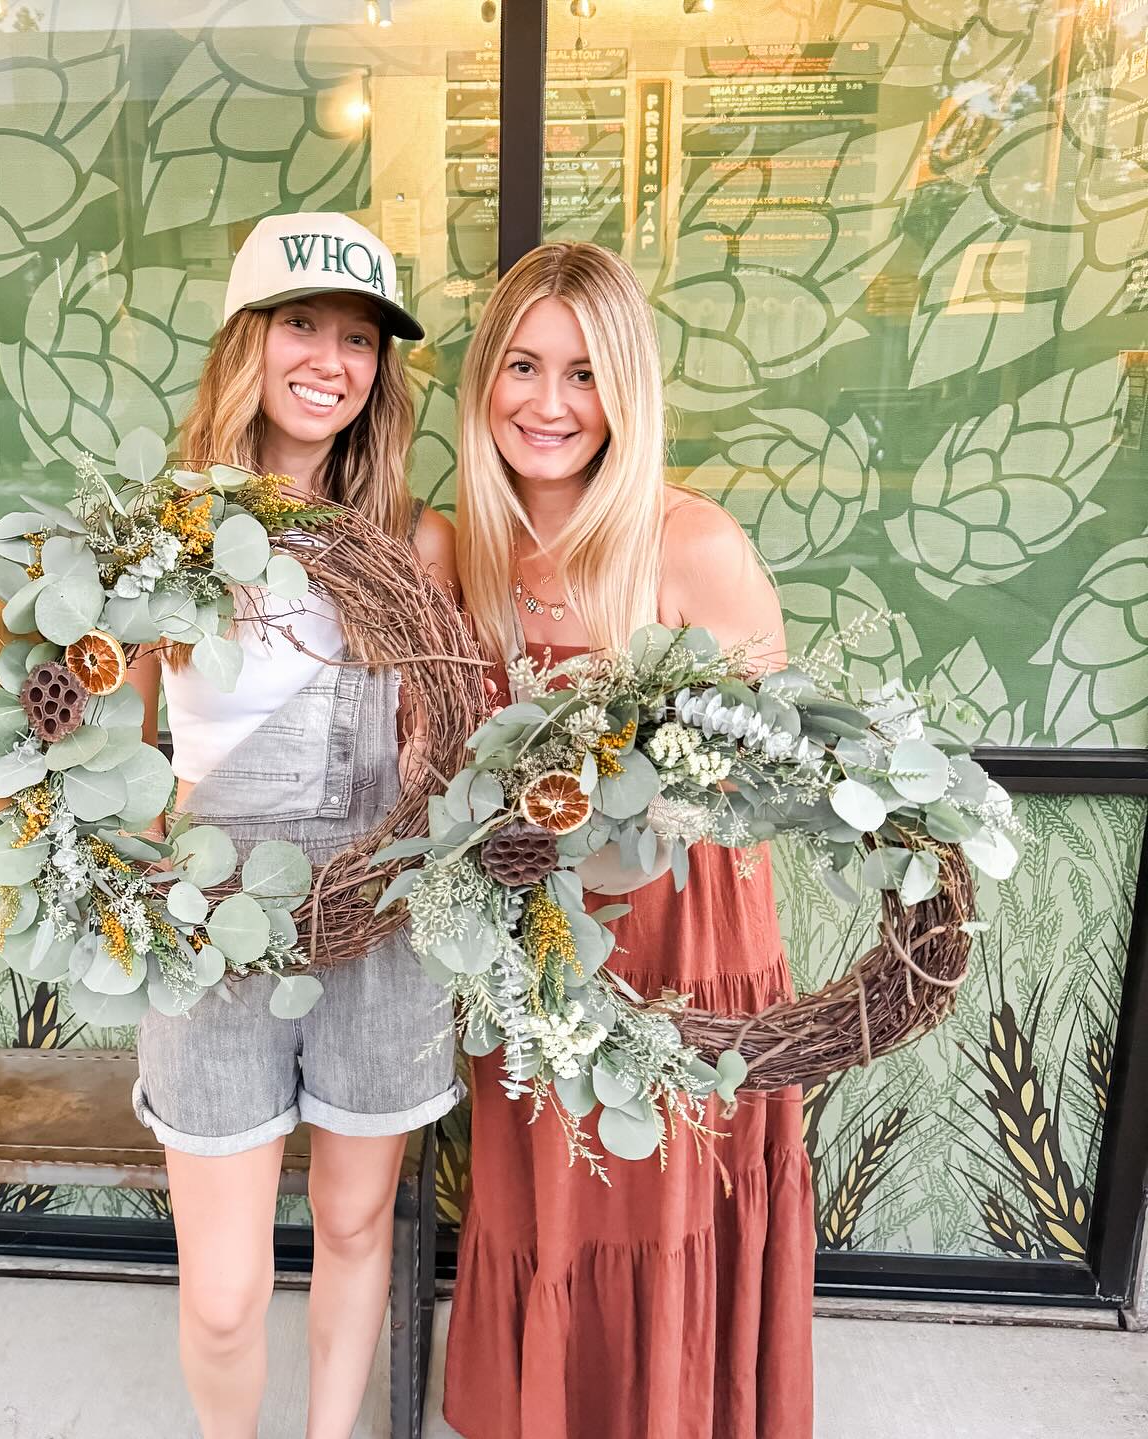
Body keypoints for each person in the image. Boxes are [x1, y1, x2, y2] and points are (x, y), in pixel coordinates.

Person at [443, 242, 815, 1439]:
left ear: (627, 395)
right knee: (553, 1208)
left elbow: (775, 776)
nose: (548, 404)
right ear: (484, 381)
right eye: (523, 365)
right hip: (537, 951)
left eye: (586, 374)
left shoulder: (688, 541)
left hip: (680, 943)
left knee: (663, 1212)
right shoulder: (463, 552)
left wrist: (634, 807)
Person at [128, 212, 461, 1439]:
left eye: (361, 337)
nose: (332, 358)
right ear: (246, 343)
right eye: (303, 325)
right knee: (222, 1295)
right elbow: (104, 743)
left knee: (358, 1222)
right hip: (211, 932)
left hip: (376, 929)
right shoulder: (168, 541)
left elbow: (439, 739)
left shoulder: (416, 543)